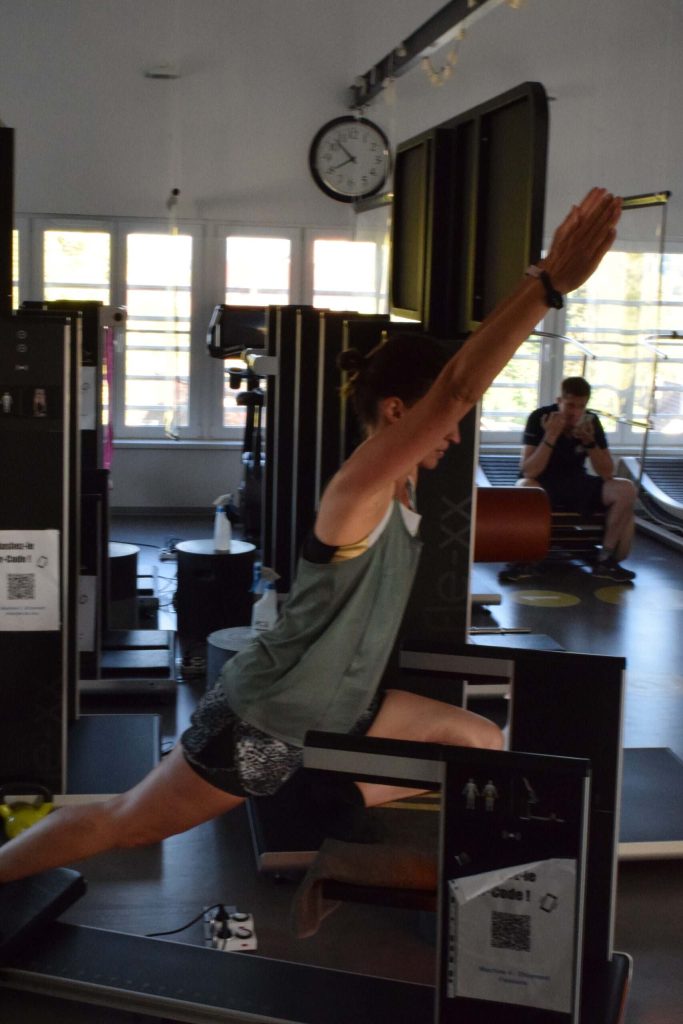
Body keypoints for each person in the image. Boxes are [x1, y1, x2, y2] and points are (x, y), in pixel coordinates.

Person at [0, 187, 621, 885]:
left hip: (342, 710)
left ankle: (333, 814)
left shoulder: (405, 488)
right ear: (397, 412)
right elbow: (455, 388)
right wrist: (543, 285)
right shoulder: (359, 488)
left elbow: (450, 396)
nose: (454, 435)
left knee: (479, 741)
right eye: (443, 423)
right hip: (267, 720)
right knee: (125, 823)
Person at [500, 375, 636, 583]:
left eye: (581, 406)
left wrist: (590, 443)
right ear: (559, 401)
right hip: (543, 482)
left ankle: (605, 560)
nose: (575, 412)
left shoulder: (590, 422)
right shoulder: (540, 418)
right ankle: (525, 560)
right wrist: (551, 436)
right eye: (570, 405)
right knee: (525, 486)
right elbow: (529, 471)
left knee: (626, 489)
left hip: (576, 481)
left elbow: (607, 473)